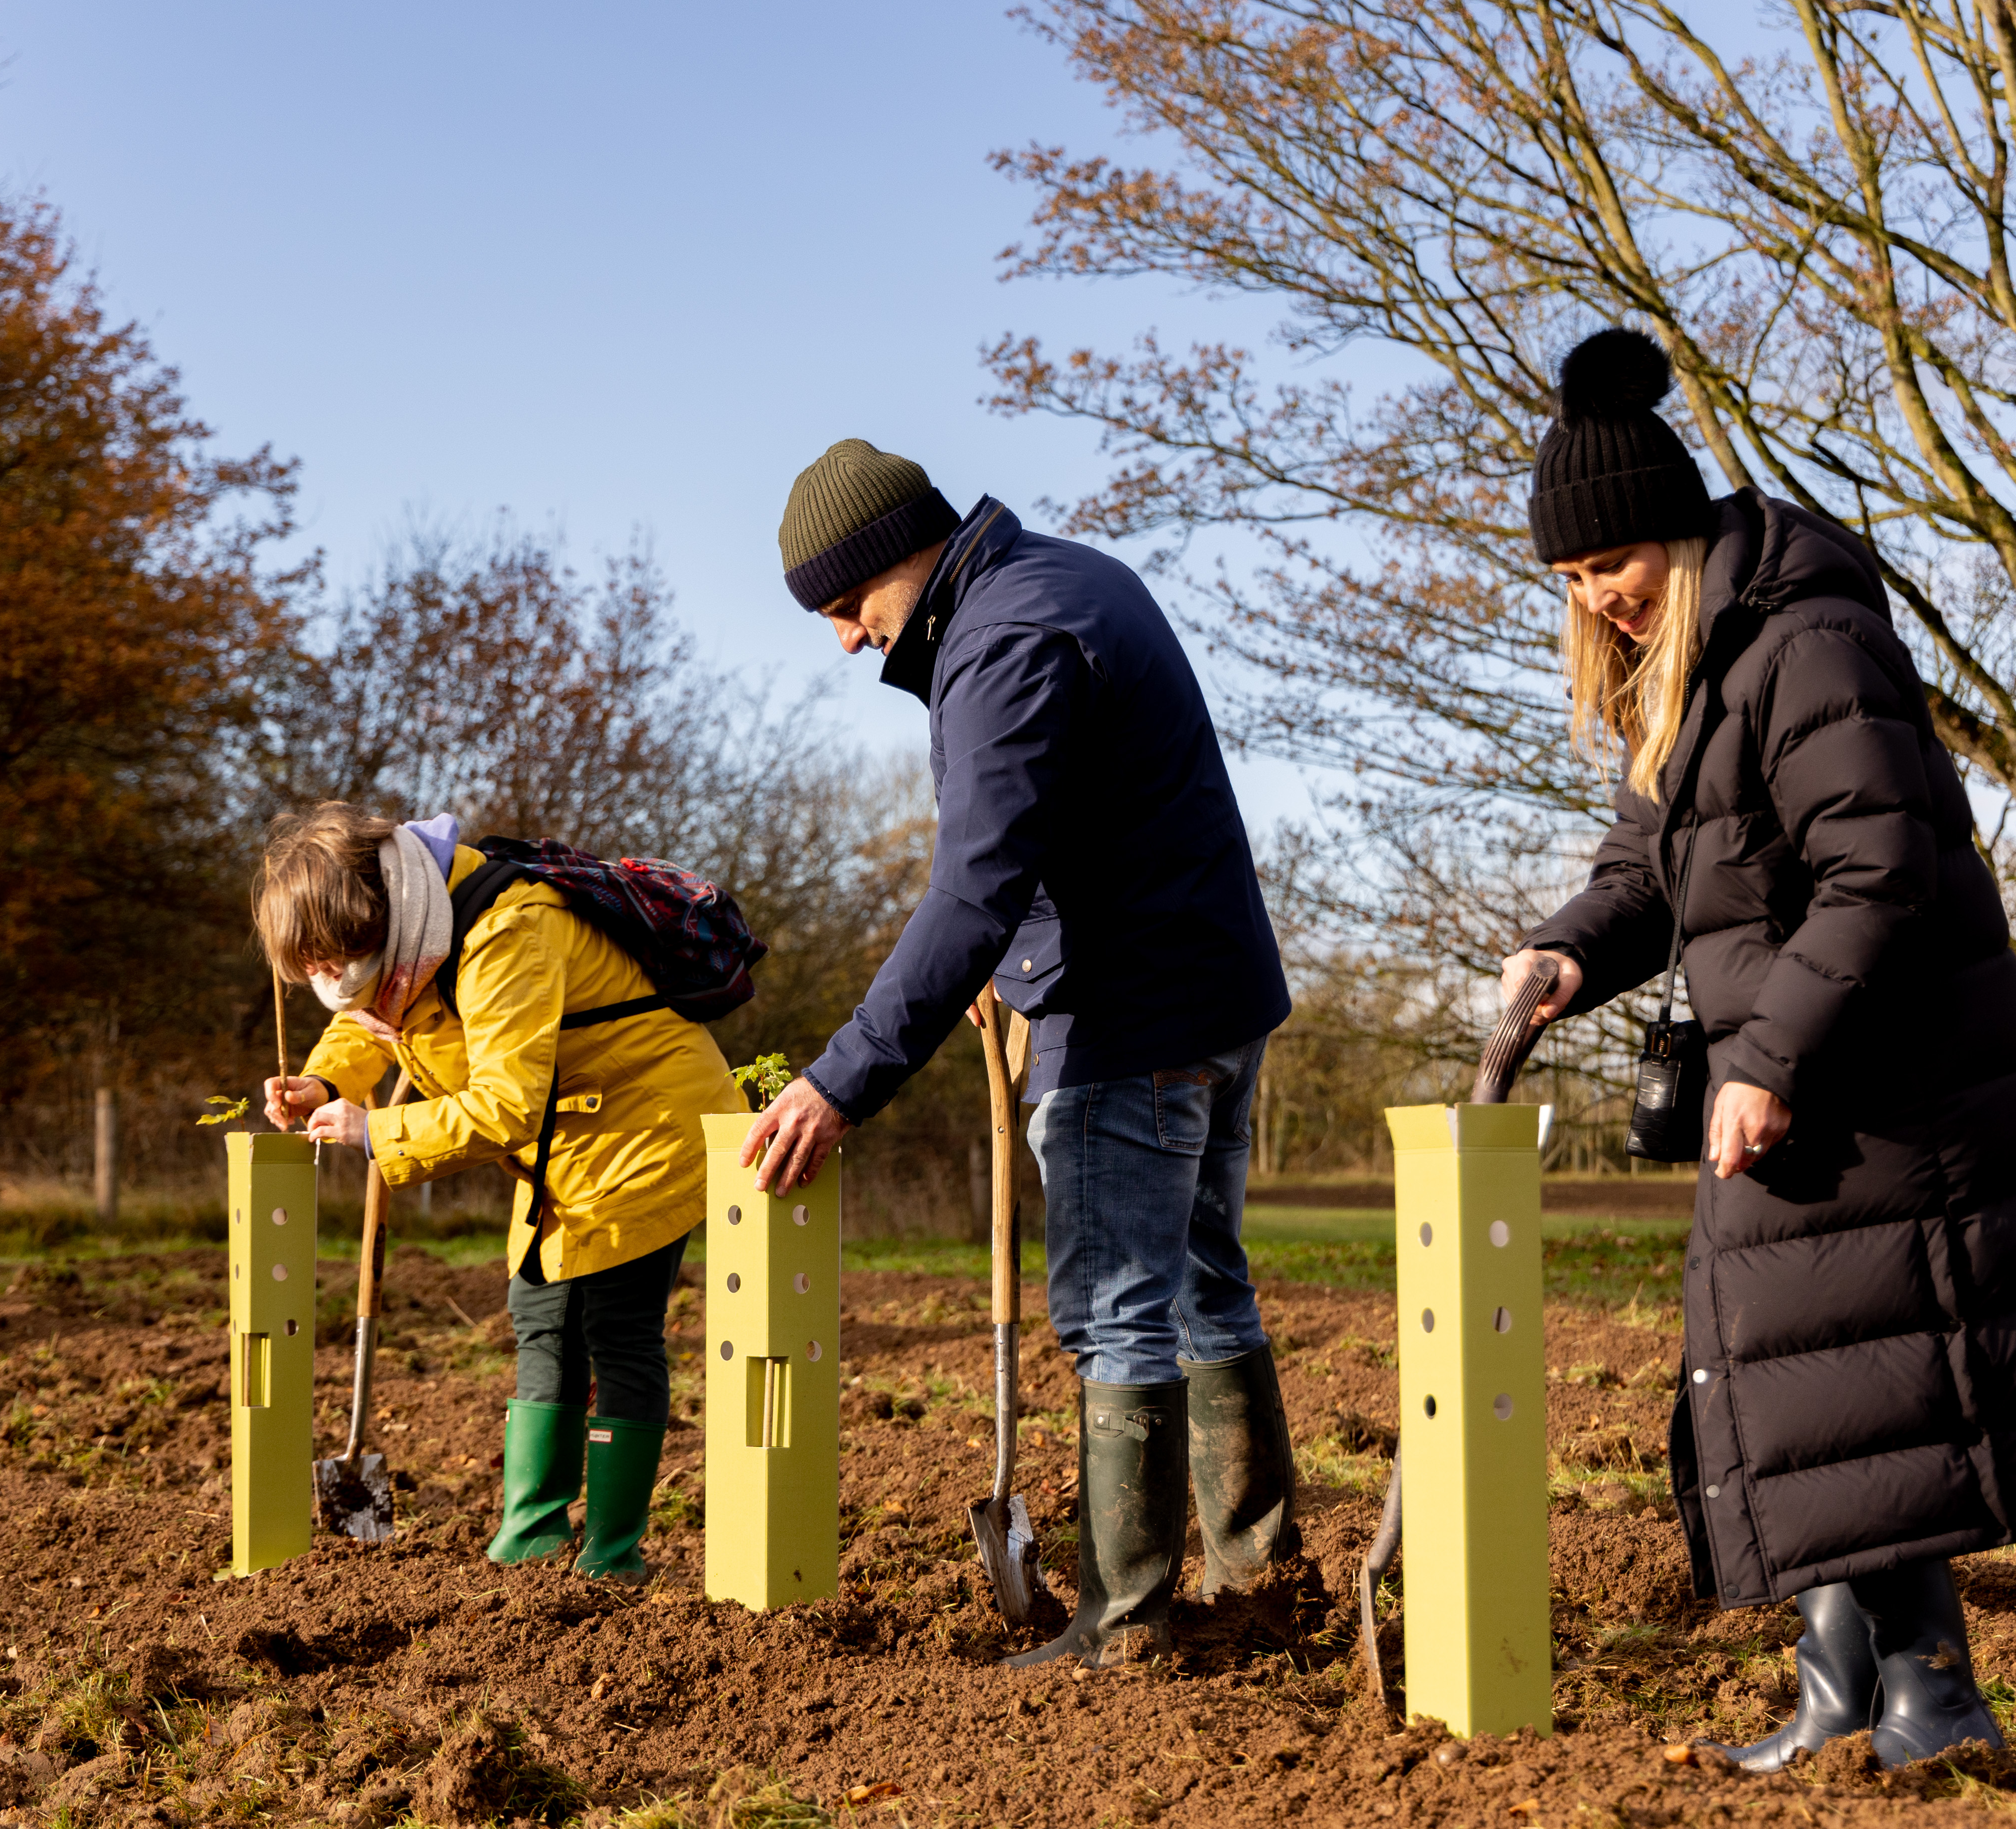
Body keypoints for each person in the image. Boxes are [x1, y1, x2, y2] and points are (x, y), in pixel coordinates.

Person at [1502, 329, 2016, 1769]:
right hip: (1814, 1071)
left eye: (1611, 564)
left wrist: (1770, 1060)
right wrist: (1570, 950)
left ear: (1674, 531)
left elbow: (1880, 867)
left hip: (1884, 1078)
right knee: (1809, 1382)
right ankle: (1843, 1687)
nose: (1596, 598)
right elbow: (1653, 861)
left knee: (1860, 1384)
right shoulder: (1701, 669)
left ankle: (1931, 1699)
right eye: (1570, 579)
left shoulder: (1803, 641)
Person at [741, 440, 1297, 1670]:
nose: (844, 640)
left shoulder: (999, 643)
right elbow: (1085, 823)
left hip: (1127, 1022)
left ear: (899, 558)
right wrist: (1014, 972)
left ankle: (1124, 1621)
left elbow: (973, 882)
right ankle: (1258, 1573)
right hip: (1208, 995)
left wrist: (842, 1079)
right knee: (1203, 1279)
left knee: (1115, 1311)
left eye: (846, 608)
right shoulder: (1065, 580)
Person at [253, 804, 742, 1584]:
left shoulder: (507, 931)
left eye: (328, 958)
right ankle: (533, 1541)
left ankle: (612, 1556)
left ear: (376, 916)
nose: (322, 979)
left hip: (647, 1127)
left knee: (616, 1330)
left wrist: (379, 1134)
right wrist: (322, 1080)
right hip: (562, 1147)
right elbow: (373, 1019)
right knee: (543, 1318)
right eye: (306, 966)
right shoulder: (410, 936)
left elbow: (507, 1104)